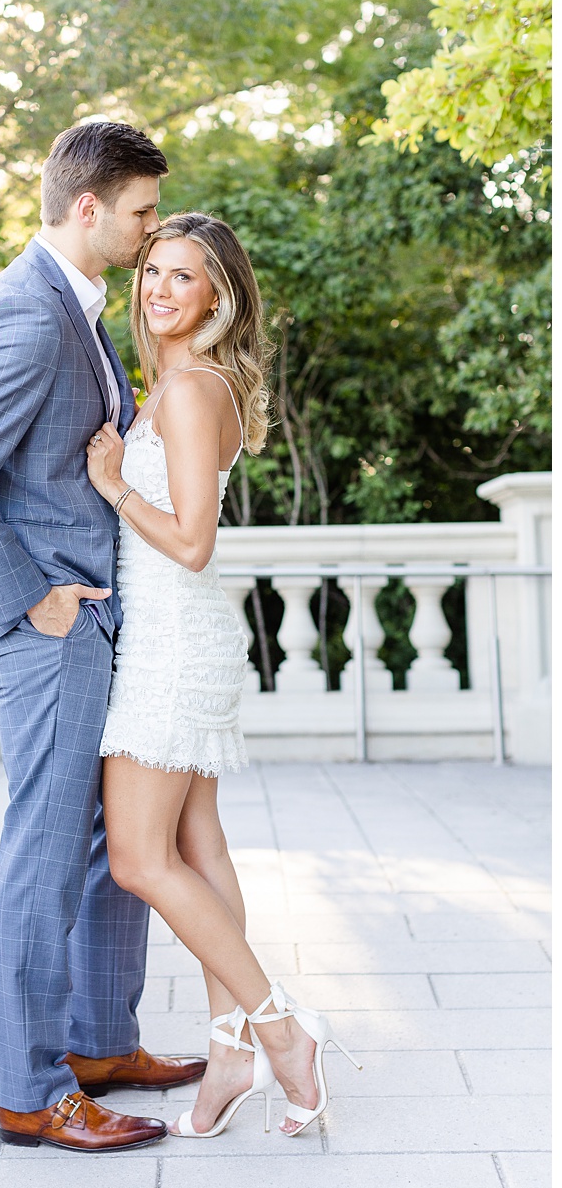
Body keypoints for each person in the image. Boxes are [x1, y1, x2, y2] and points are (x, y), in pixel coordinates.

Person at [0, 122, 208, 1154]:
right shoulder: (30, 318)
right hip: (50, 625)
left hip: (94, 616)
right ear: (88, 207)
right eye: (139, 211)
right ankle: (33, 1091)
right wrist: (31, 598)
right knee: (45, 848)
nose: (149, 228)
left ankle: (100, 1041)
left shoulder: (71, 308)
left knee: (96, 838)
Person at [85, 212, 362, 1140]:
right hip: (180, 639)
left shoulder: (193, 389)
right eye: (151, 272)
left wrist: (115, 483)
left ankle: (281, 1033)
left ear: (218, 295)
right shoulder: (182, 381)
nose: (159, 289)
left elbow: (193, 544)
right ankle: (232, 1051)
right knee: (197, 847)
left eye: (183, 277)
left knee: (138, 857)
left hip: (172, 646)